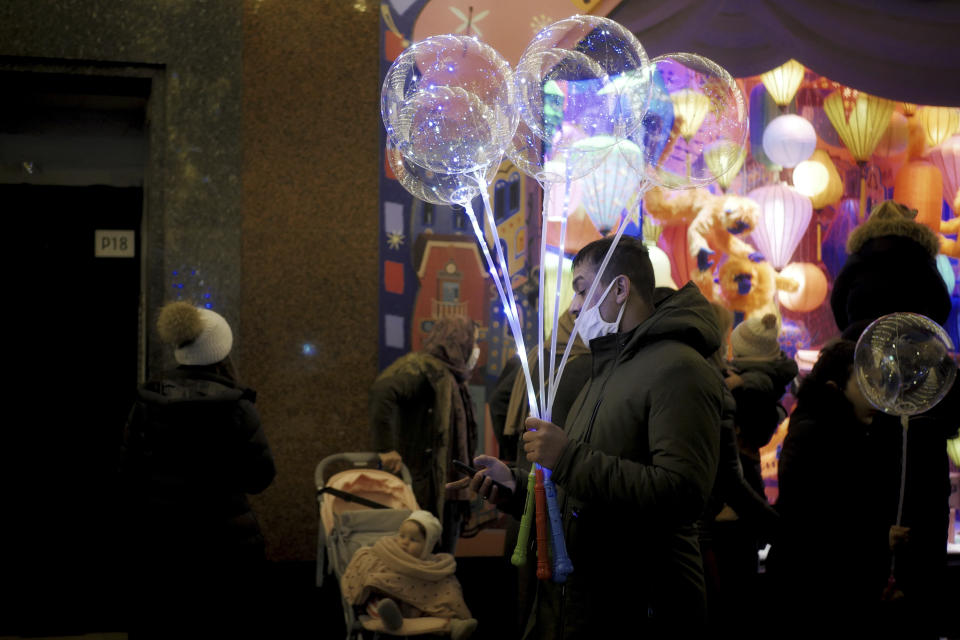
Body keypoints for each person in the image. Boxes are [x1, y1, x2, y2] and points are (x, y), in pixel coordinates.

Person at [451, 236, 724, 639]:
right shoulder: (604, 368)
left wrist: (565, 457)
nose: (574, 305)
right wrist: (516, 488)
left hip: (639, 606)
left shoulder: (679, 369)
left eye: (581, 288)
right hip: (581, 602)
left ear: (620, 289)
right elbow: (584, 488)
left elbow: (682, 493)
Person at [829, 199, 959, 638]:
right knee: (921, 515)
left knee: (861, 508)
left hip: (860, 395)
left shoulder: (856, 264)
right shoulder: (924, 268)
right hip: (922, 403)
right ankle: (917, 606)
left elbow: (837, 310)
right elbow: (941, 313)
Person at [120, 302, 276, 638]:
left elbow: (129, 472)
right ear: (222, 351)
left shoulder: (147, 402)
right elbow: (260, 477)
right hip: (227, 543)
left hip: (161, 541)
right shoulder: (239, 407)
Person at [767, 340, 892, 638]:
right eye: (866, 385)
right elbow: (813, 523)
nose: (876, 398)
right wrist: (877, 537)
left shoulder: (844, 430)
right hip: (814, 598)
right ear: (835, 387)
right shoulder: (817, 433)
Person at [699, 302, 780, 638]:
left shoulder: (730, 383)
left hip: (722, 511)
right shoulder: (720, 385)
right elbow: (732, 478)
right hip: (724, 513)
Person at [370, 316, 480, 553]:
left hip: (448, 484)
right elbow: (383, 390)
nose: (475, 348)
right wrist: (385, 448)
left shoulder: (452, 377)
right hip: (425, 482)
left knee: (442, 553)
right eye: (473, 341)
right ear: (457, 341)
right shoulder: (424, 369)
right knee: (427, 554)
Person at [340, 510, 478, 640]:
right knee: (377, 604)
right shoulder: (386, 552)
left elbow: (446, 591)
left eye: (413, 540)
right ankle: (393, 619)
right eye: (402, 536)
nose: (405, 542)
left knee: (429, 610)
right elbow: (370, 573)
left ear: (427, 545)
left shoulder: (434, 568)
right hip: (386, 600)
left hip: (415, 608)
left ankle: (453, 624)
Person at [726, 312, 799, 496]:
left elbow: (759, 385)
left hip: (743, 459)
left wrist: (739, 385)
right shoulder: (769, 370)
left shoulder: (753, 382)